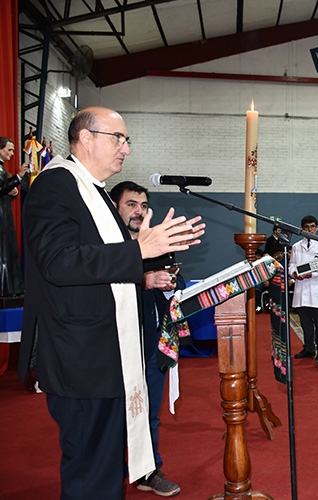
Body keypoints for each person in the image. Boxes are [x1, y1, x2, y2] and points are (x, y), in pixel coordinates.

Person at [17, 107, 204, 499]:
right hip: (82, 358)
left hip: (106, 353)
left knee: (104, 470)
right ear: (85, 138)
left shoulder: (95, 192)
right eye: (118, 138)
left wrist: (149, 262)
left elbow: (105, 263)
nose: (126, 149)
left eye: (127, 140)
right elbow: (59, 261)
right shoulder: (56, 185)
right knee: (91, 474)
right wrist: (139, 250)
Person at [109, 180, 183, 497]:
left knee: (149, 410)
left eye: (143, 205)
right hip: (115, 345)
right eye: (131, 204)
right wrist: (144, 279)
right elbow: (104, 283)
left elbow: (173, 277)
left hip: (152, 342)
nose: (138, 211)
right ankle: (108, 470)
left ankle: (148, 470)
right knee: (113, 413)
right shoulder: (106, 244)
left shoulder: (156, 240)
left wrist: (169, 283)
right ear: (115, 207)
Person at [288, 215, 318, 361]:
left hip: (317, 289)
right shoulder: (296, 246)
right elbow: (291, 265)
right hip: (301, 289)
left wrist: (312, 274)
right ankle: (308, 348)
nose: (309, 229)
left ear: (317, 227)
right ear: (302, 229)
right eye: (306, 227)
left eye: (312, 226)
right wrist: (294, 273)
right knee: (305, 323)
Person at [0, 136, 24, 296]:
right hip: (1, 216)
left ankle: (11, 287)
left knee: (8, 248)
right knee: (3, 251)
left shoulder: (2, 170)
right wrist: (18, 177)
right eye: (9, 149)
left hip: (5, 214)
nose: (12, 153)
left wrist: (13, 190)